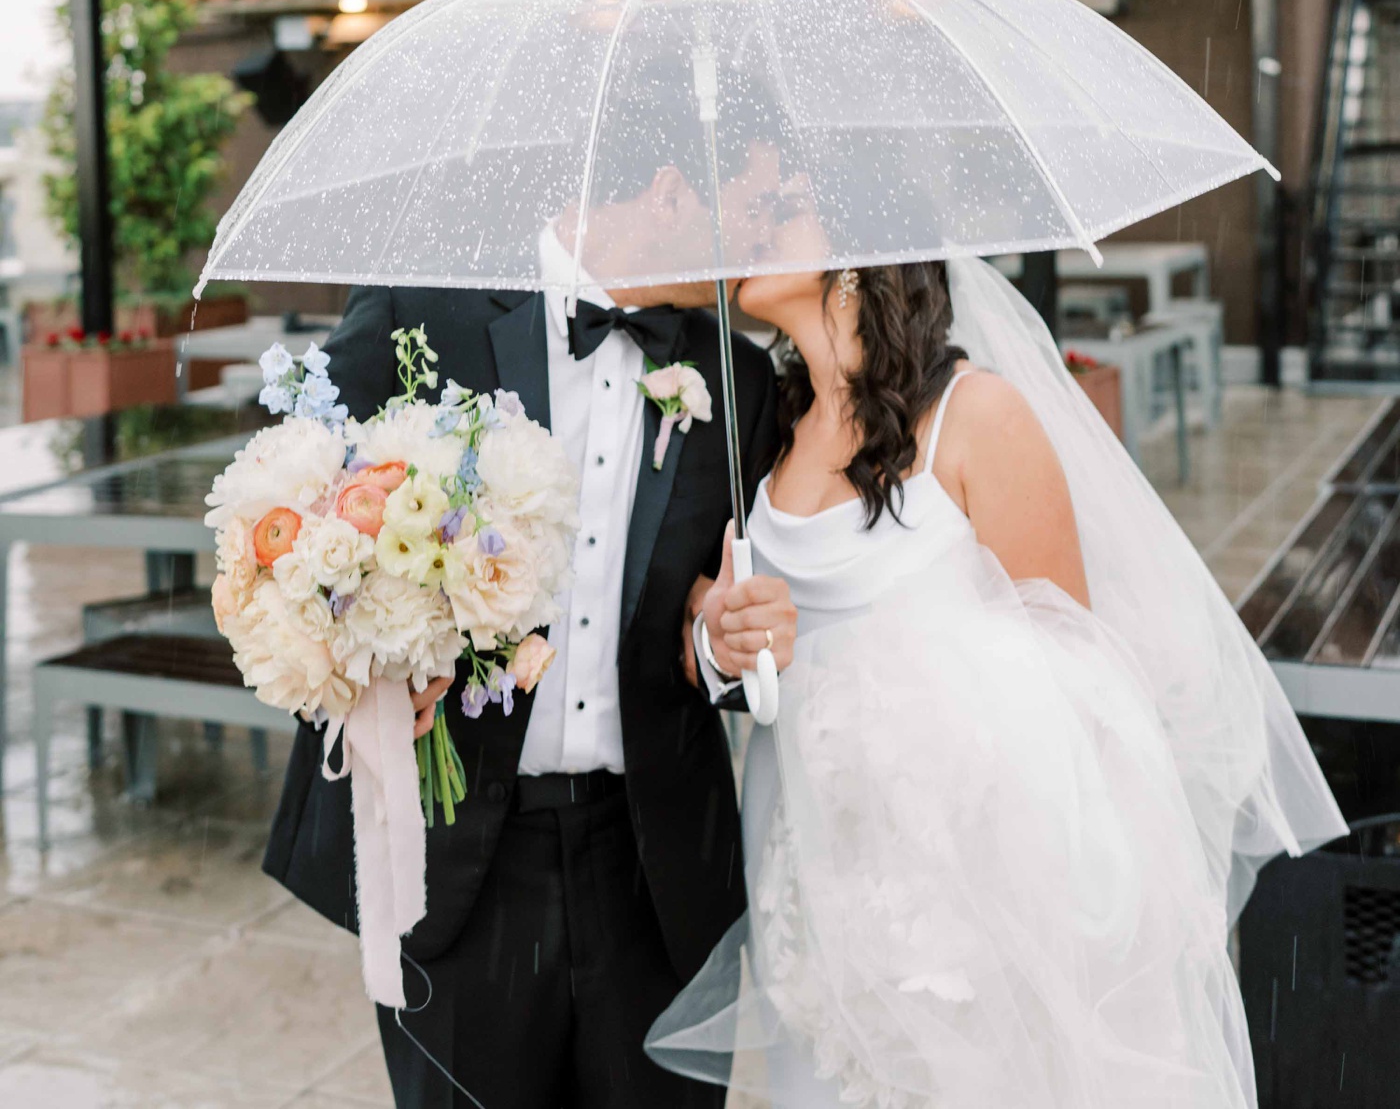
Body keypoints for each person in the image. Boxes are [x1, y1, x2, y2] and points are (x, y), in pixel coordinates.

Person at [651, 235, 1347, 1108]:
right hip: (801, 873)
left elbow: (1081, 685)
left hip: (948, 899)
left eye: (782, 205)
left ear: (862, 247)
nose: (748, 227)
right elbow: (697, 609)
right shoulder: (768, 419)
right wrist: (715, 629)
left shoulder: (978, 418)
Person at [262, 93, 798, 1109]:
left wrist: (724, 647)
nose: (764, 232)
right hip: (457, 859)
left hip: (653, 868)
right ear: (673, 190)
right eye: (755, 202)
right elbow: (280, 527)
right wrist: (356, 667)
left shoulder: (736, 379)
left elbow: (713, 619)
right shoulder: (430, 310)